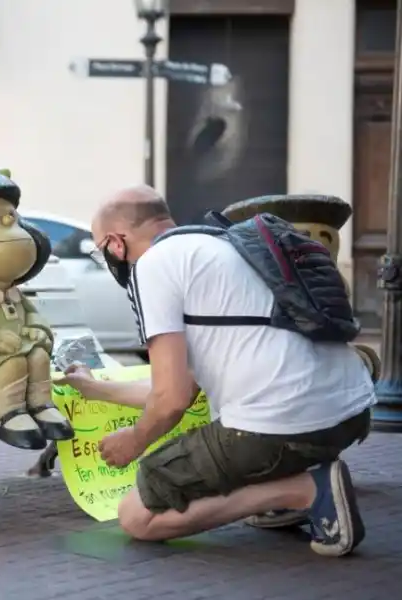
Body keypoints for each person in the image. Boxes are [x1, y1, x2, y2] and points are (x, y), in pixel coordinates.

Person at [56, 185, 375, 557]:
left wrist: (134, 441)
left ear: (115, 242)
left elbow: (172, 400)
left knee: (137, 515)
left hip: (276, 428)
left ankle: (304, 491)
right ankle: (286, 490)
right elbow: (182, 386)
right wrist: (95, 389)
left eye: (100, 250)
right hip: (350, 413)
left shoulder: (153, 266)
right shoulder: (222, 245)